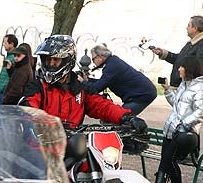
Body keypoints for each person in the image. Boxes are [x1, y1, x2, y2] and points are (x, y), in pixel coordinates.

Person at [19, 35, 147, 133]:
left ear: (67, 60)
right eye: (48, 60)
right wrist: (30, 121)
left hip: (73, 148)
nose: (51, 64)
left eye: (56, 59)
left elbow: (103, 106)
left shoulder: (80, 89)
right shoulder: (37, 87)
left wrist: (127, 117)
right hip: (40, 150)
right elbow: (28, 109)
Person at [141, 55, 203, 183]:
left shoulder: (200, 87)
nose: (179, 69)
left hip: (186, 134)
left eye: (181, 66)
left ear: (189, 68)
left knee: (168, 160)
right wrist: (167, 91)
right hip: (172, 130)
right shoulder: (184, 84)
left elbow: (202, 111)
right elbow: (178, 106)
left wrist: (184, 124)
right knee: (165, 160)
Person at [83, 43, 157, 115]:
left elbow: (96, 88)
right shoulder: (112, 62)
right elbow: (103, 82)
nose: (93, 62)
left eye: (93, 59)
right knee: (116, 118)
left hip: (141, 96)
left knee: (119, 119)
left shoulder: (111, 67)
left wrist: (82, 82)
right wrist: (88, 80)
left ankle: (137, 126)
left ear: (101, 56)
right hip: (141, 94)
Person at [150, 16, 203, 86]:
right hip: (181, 88)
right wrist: (162, 53)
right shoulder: (192, 42)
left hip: (187, 89)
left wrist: (185, 78)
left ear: (195, 28)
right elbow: (179, 60)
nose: (186, 28)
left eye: (189, 25)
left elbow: (202, 69)